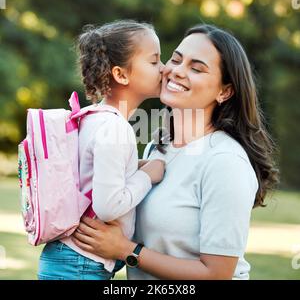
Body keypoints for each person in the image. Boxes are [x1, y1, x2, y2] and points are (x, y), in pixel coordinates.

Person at [71, 24, 279, 280]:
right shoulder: (157, 148)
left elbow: (217, 274)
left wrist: (126, 250)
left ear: (224, 91)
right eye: (176, 59)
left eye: (196, 68)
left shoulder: (225, 161)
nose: (177, 71)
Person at [38, 20, 166, 280]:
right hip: (80, 264)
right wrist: (147, 176)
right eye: (154, 62)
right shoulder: (116, 128)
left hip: (70, 258)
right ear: (121, 74)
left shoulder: (92, 117)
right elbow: (108, 206)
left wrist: (137, 166)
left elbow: (95, 173)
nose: (165, 69)